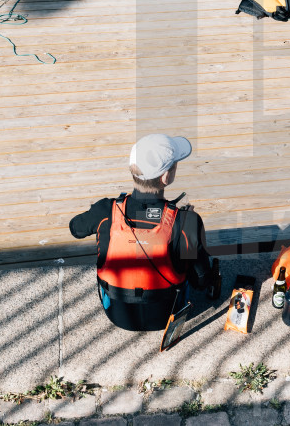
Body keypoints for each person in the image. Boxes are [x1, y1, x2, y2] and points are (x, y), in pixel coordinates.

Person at [69, 134, 215, 331]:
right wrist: (190, 229)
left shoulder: (106, 211)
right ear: (166, 177)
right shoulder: (186, 221)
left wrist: (98, 214)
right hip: (166, 314)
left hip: (116, 314)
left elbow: (75, 229)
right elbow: (201, 281)